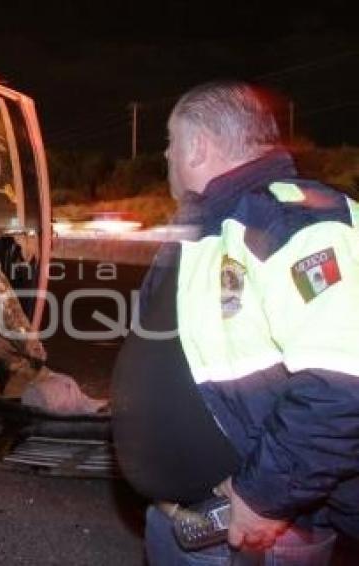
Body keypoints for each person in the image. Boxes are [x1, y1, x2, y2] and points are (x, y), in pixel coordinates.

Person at [111, 80, 359, 564]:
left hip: (247, 534)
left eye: (170, 141)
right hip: (184, 523)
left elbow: (344, 384)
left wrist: (263, 497)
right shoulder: (207, 230)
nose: (166, 155)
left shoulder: (297, 223)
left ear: (198, 146)